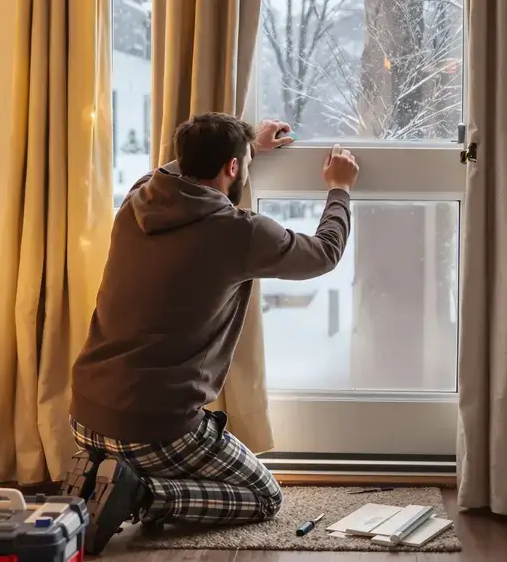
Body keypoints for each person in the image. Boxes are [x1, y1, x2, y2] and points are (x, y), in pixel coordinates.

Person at [64, 113, 360, 552]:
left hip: (85, 414)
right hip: (154, 429)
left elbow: (174, 167)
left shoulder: (138, 198)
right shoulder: (238, 231)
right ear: (232, 167)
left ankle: (101, 471)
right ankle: (142, 494)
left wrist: (246, 146)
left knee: (153, 445)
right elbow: (324, 253)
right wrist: (340, 188)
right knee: (264, 496)